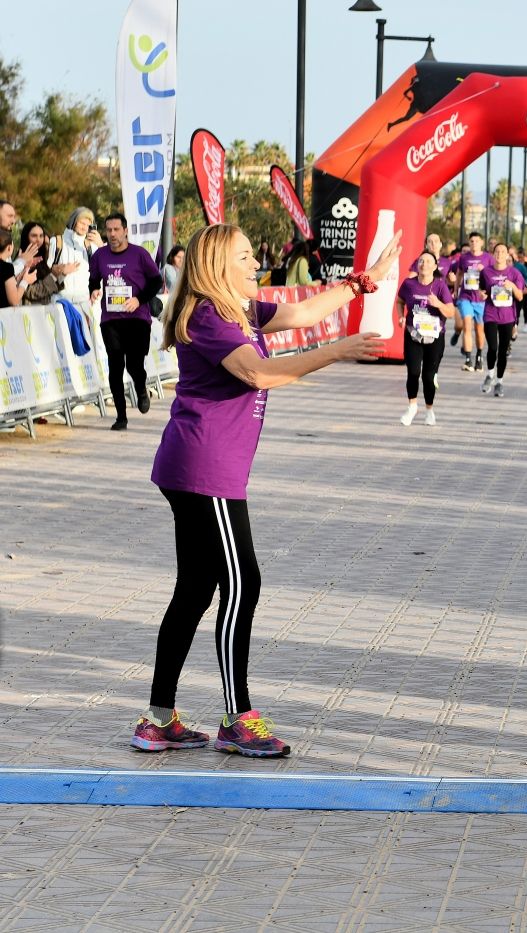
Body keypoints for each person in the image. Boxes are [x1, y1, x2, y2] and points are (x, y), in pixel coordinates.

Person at [132, 222, 399, 757]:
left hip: (199, 467)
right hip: (205, 469)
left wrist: (364, 281)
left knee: (196, 589)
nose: (257, 264)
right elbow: (258, 375)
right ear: (217, 267)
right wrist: (334, 351)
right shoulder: (207, 316)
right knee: (243, 581)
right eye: (247, 256)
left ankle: (158, 720)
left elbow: (302, 313)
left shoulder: (241, 310)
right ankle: (237, 718)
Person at [89, 213, 163, 430]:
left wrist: (138, 299)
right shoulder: (100, 256)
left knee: (134, 364)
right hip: (111, 319)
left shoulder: (139, 254)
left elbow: (156, 280)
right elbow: (94, 278)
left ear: (125, 231)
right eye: (108, 230)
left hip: (137, 318)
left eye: (116, 230)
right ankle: (121, 417)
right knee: (115, 364)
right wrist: (93, 290)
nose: (112, 234)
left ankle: (141, 388)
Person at [396, 250, 455, 425]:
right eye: (421, 261)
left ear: (435, 266)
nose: (424, 264)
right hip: (413, 334)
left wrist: (438, 303)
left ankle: (429, 409)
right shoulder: (408, 284)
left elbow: (450, 312)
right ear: (417, 265)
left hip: (435, 337)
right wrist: (401, 316)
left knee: (428, 377)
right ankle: (412, 406)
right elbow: (399, 301)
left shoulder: (440, 286)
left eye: (429, 262)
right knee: (413, 372)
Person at [479, 242, 526, 397]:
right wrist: (483, 295)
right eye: (497, 252)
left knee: (502, 351)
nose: (499, 254)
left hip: (507, 317)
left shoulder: (514, 273)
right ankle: (490, 374)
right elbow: (482, 291)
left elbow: (519, 296)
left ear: (507, 255)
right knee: (493, 347)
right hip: (490, 314)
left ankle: (499, 381)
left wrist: (511, 285)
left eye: (503, 252)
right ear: (493, 254)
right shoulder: (486, 272)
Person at [449, 231, 489, 371]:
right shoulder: (464, 258)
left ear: (481, 243)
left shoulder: (487, 258)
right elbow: (459, 274)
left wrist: (483, 271)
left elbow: (491, 276)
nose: (474, 244)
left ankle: (479, 356)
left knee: (479, 330)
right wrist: (455, 289)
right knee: (467, 325)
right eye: (471, 241)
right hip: (466, 296)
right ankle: (468, 359)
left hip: (480, 300)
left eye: (477, 241)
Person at [49, 207, 103, 305]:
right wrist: (62, 272)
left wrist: (101, 246)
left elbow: (106, 269)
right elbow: (47, 272)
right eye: (82, 223)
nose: (84, 227)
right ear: (73, 221)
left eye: (88, 225)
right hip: (60, 302)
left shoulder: (91, 246)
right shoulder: (56, 242)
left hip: (85, 303)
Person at [18, 222, 79, 305]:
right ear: (26, 237)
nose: (38, 239)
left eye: (41, 236)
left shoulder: (43, 259)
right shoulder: (21, 260)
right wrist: (53, 275)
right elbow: (31, 292)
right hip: (28, 312)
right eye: (34, 236)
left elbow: (52, 287)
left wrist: (62, 274)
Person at [0, 229, 37, 307]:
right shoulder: (6, 268)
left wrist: (20, 276)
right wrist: (25, 281)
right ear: (9, 248)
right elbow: (14, 301)